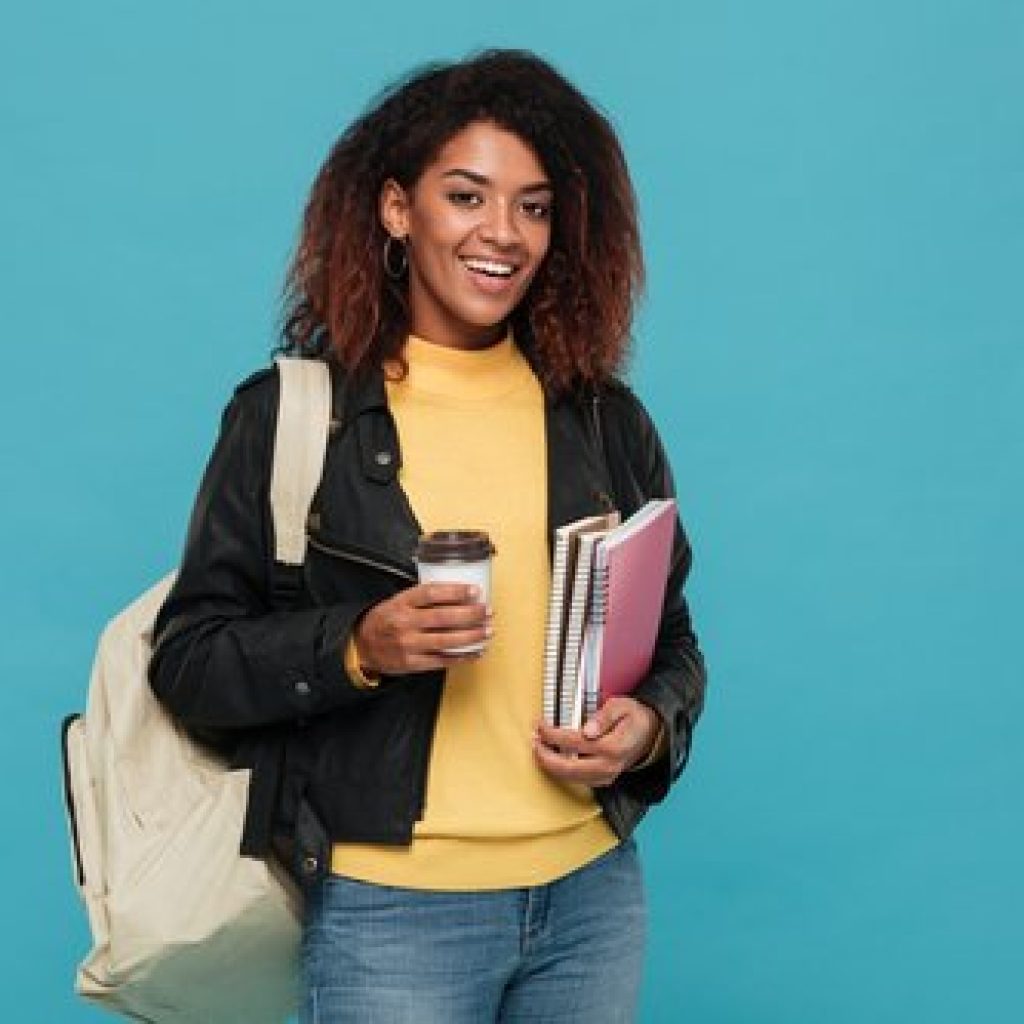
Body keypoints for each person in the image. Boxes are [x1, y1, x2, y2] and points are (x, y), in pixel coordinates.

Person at [149, 48, 706, 1024]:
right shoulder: (293, 416)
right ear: (397, 208)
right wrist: (358, 646)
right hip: (392, 910)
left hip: (590, 898)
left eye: (534, 206)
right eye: (468, 196)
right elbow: (188, 661)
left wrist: (648, 725)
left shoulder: (603, 419)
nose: (504, 233)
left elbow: (673, 643)